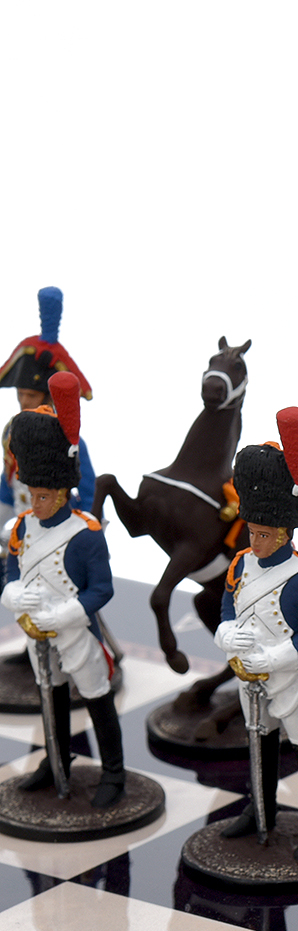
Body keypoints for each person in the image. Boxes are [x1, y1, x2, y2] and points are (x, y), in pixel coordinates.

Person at [212, 408, 298, 860]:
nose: (255, 541)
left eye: (263, 534)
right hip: (249, 677)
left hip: (290, 680)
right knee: (257, 744)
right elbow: (228, 608)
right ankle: (259, 808)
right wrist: (227, 635)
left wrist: (275, 658)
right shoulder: (240, 564)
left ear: (283, 532)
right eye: (252, 531)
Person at [0, 372, 124, 806]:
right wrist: (14, 597)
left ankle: (113, 772)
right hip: (38, 631)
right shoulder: (20, 528)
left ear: (61, 491)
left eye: (42, 496)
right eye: (31, 494)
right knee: (49, 698)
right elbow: (10, 575)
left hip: (76, 631)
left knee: (96, 697)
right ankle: (56, 760)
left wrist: (65, 614)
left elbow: (101, 591)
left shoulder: (86, 533)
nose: (35, 503)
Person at [0, 287, 96, 531]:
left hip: (61, 530)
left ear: (48, 398)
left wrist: (88, 531)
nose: (23, 401)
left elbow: (88, 492)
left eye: (31, 395)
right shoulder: (12, 432)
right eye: (20, 394)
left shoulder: (70, 441)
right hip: (23, 528)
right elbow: (8, 483)